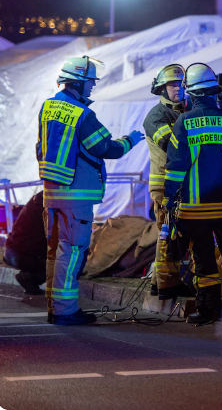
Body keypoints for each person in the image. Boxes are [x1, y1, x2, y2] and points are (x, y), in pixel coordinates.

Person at [37, 55, 144, 325]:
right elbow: (106, 148)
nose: (93, 87)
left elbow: (42, 147)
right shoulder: (82, 114)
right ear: (78, 83)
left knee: (55, 251)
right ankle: (65, 312)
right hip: (76, 196)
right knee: (72, 252)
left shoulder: (47, 107)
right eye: (90, 82)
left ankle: (54, 306)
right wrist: (131, 139)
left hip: (52, 193)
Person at [163, 63, 222, 324]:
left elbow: (176, 167)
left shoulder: (184, 122)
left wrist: (169, 199)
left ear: (190, 92)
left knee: (203, 259)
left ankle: (208, 310)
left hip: (196, 209)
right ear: (215, 91)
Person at [143, 63, 192, 300]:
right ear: (162, 88)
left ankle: (159, 282)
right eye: (172, 85)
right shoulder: (156, 116)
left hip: (183, 183)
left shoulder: (187, 110)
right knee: (168, 233)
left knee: (176, 235)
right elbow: (171, 145)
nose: (178, 89)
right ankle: (166, 286)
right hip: (164, 185)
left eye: (181, 84)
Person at [3, 192, 46, 295]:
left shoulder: (33, 203)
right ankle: (28, 277)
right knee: (58, 267)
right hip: (22, 255)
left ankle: (30, 283)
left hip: (10, 252)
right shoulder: (47, 210)